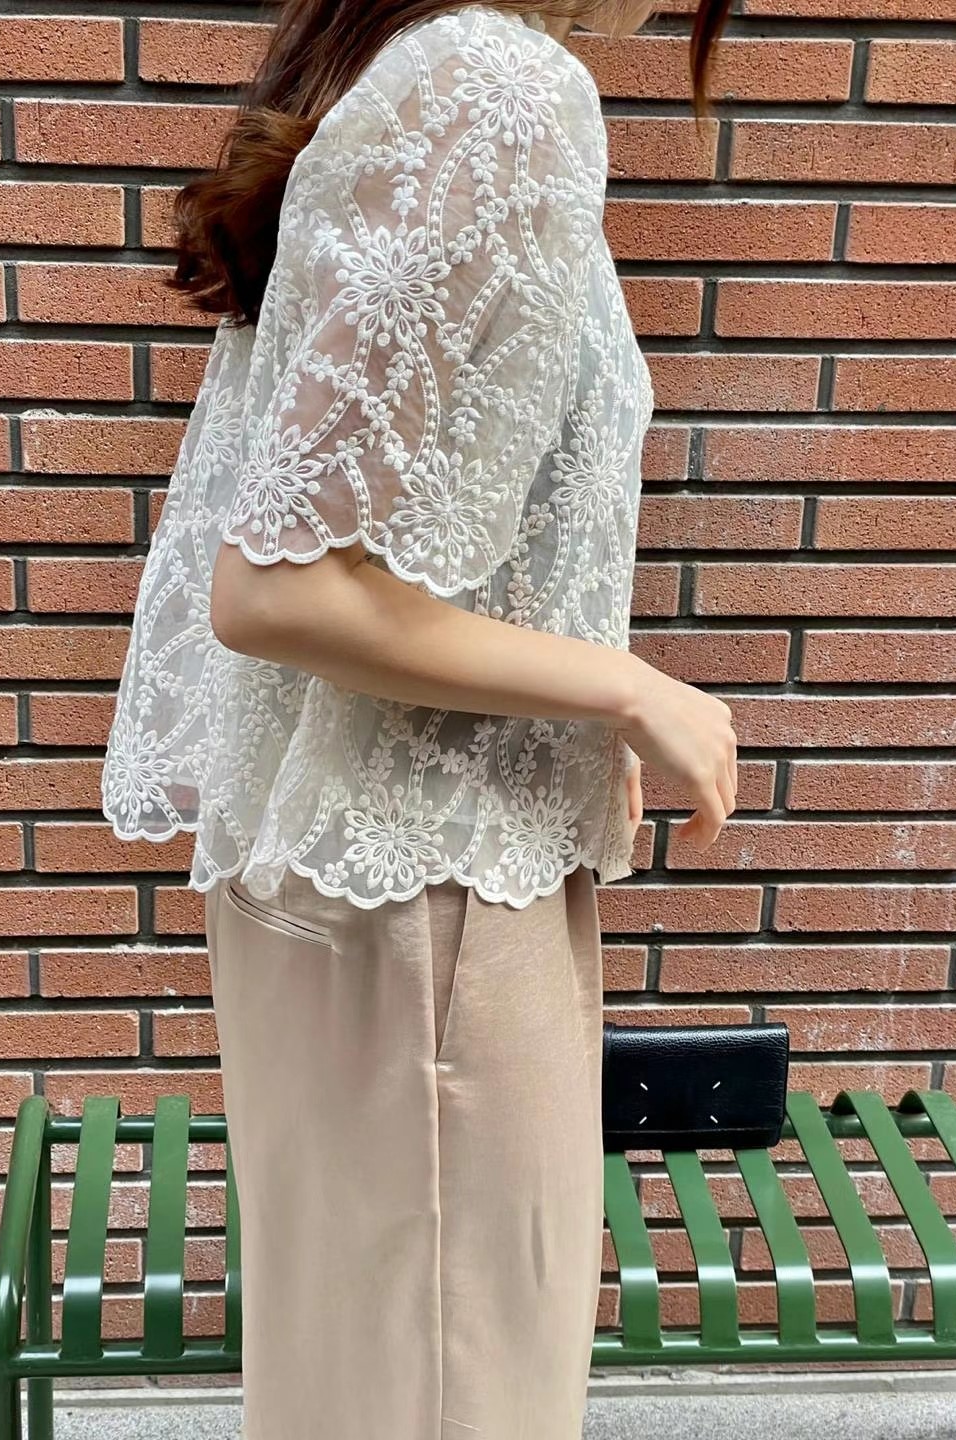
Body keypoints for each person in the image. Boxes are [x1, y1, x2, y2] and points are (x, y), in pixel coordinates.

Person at [101, 0, 737, 1434]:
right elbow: (284, 590)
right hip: (434, 912)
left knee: (367, 1384)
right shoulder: (496, 85)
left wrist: (565, 698)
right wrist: (627, 688)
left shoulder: (411, 69)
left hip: (386, 893)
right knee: (460, 1392)